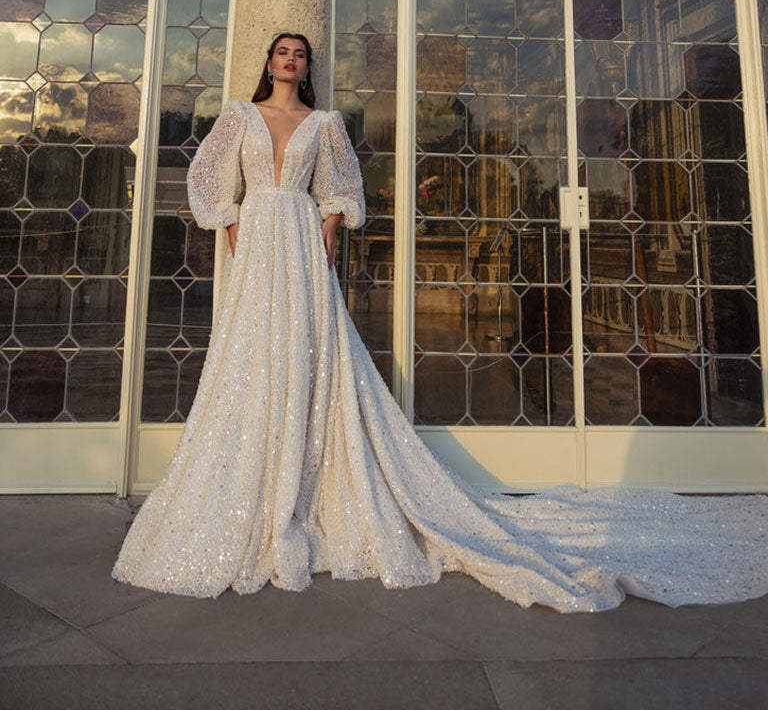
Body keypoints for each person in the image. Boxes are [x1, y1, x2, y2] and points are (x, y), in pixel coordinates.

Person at [113, 31, 768, 612]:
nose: (290, 61)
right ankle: (251, 475)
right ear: (269, 63)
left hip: (301, 242)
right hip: (259, 239)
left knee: (312, 353)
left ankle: (313, 474)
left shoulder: (324, 122)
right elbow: (207, 181)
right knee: (251, 355)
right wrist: (231, 225)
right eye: (283, 53)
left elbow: (341, 190)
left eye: (299, 55)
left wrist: (330, 231)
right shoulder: (239, 116)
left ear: (306, 68)